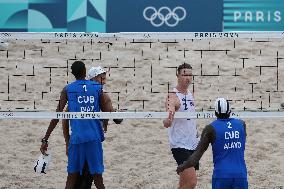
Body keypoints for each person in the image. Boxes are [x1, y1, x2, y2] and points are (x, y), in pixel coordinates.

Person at [40, 61, 110, 189]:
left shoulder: (67, 89)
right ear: (85, 72)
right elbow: (107, 112)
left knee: (71, 179)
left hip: (76, 139)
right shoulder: (97, 88)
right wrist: (105, 124)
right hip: (93, 139)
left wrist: (45, 139)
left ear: (73, 74)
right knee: (98, 179)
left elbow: (57, 117)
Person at [62, 66, 122, 189]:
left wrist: (108, 118)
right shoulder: (97, 93)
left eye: (105, 79)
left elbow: (112, 114)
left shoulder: (97, 93)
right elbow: (65, 117)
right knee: (88, 179)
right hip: (87, 141)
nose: (104, 82)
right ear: (93, 78)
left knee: (80, 180)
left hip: (81, 140)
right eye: (102, 78)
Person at [177, 98, 248, 189]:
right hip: (240, 173)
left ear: (215, 113)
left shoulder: (210, 129)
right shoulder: (241, 124)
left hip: (222, 174)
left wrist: (182, 166)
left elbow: (195, 159)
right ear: (229, 111)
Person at [163, 63, 199, 189]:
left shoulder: (190, 94)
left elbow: (191, 118)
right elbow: (168, 117)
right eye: (184, 75)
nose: (188, 78)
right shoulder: (172, 95)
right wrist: (168, 119)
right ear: (178, 75)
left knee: (184, 183)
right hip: (180, 145)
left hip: (193, 144)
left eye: (190, 75)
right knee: (191, 182)